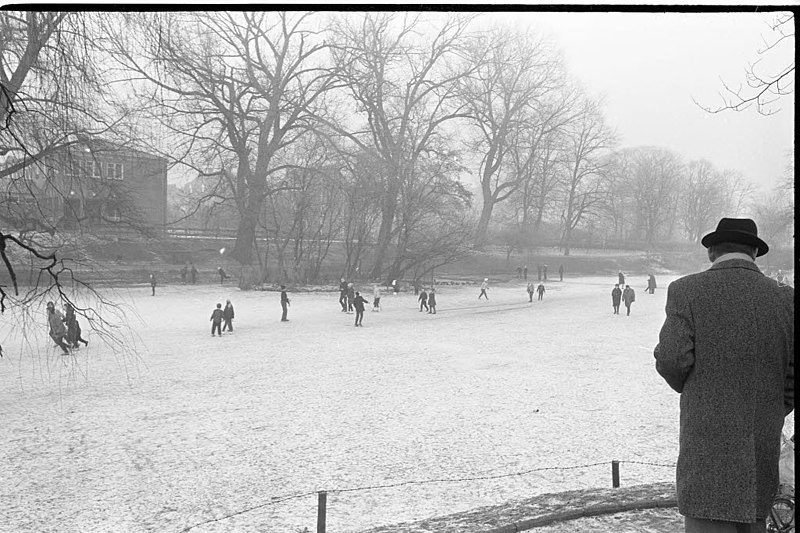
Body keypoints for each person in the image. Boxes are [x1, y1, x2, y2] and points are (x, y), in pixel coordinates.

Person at [653, 217, 794, 533]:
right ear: (755, 252)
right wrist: (771, 408)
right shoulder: (786, 299)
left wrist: (698, 392)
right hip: (760, 453)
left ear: (711, 252)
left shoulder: (686, 290)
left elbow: (672, 360)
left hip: (706, 456)